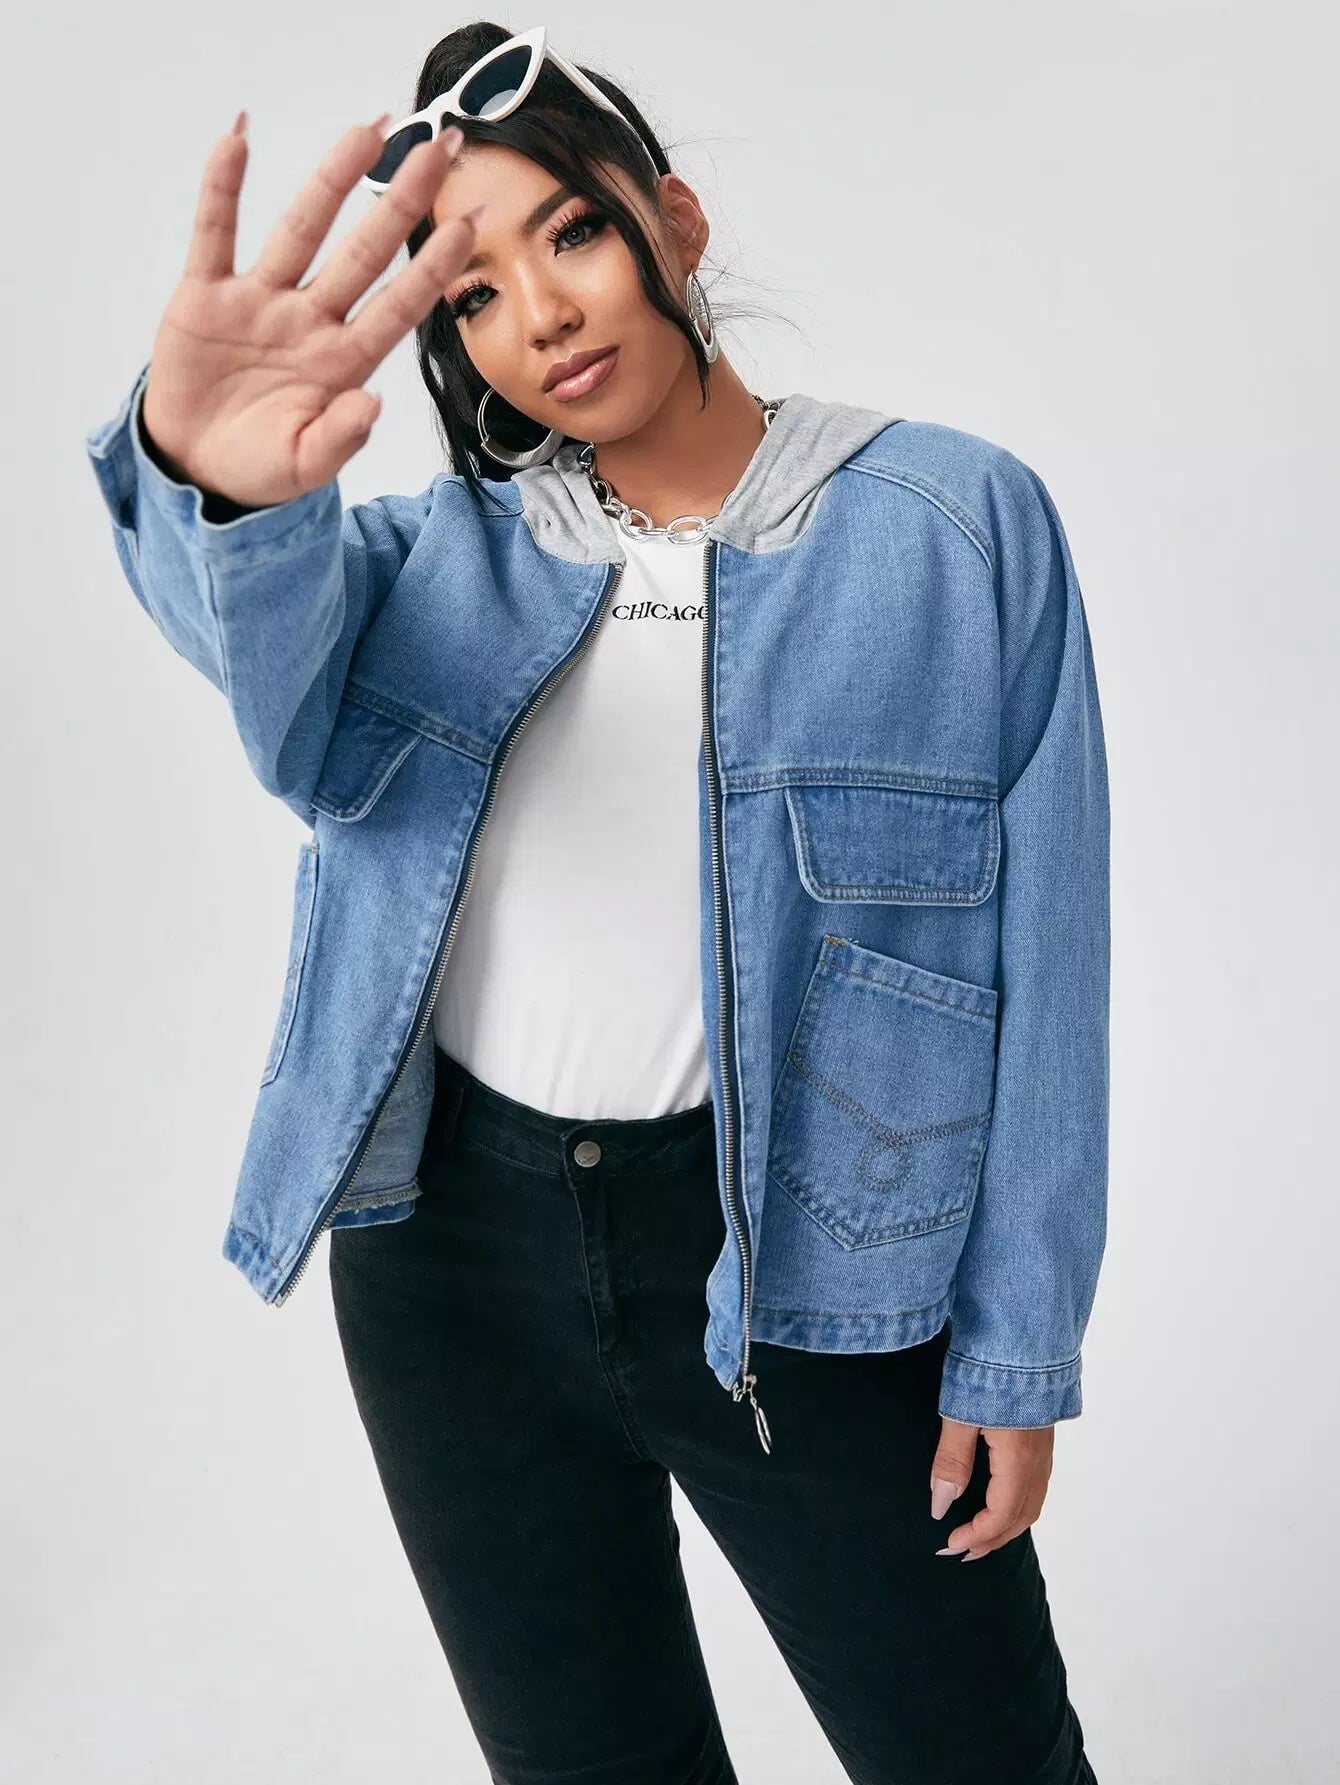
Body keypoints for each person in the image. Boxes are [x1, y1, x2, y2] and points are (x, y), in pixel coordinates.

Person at [84, 21, 1109, 1784]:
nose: (542, 315)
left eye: (569, 232)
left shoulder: (954, 528)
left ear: (673, 223)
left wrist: (1017, 1344)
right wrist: (216, 482)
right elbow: (274, 698)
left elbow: (1053, 966)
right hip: (452, 1272)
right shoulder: (425, 567)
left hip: (813, 1269)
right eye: (472, 293)